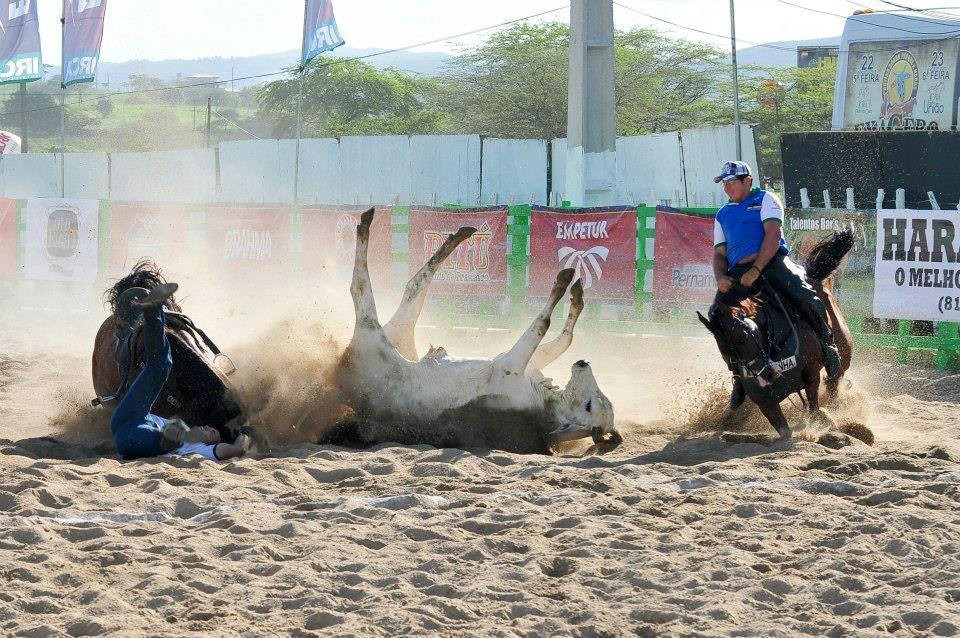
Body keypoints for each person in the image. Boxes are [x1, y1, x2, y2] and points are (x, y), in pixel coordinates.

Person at [710, 160, 842, 408]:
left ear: (747, 180)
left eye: (730, 182)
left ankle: (828, 347)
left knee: (806, 295)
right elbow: (719, 253)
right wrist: (721, 278)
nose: (726, 188)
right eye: (724, 184)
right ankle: (738, 375)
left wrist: (757, 268)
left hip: (772, 262)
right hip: (738, 270)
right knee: (717, 317)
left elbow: (772, 235)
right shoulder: (723, 214)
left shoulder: (766, 199)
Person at [110, 283, 250, 462]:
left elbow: (238, 451)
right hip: (131, 416)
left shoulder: (202, 449)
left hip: (134, 439)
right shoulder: (195, 433)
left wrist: (246, 431)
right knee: (161, 366)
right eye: (209, 428)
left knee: (168, 441)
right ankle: (153, 309)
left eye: (212, 432)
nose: (209, 427)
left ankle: (170, 440)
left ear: (214, 444)